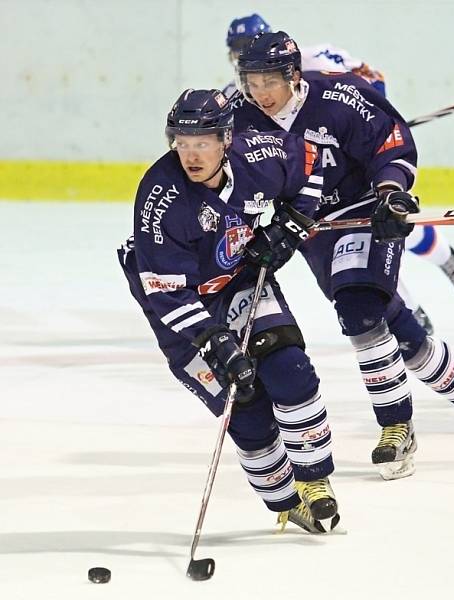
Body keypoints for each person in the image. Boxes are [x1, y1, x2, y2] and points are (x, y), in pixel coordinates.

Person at [231, 31, 454, 480]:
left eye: (267, 83)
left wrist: (391, 194)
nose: (259, 94)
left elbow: (391, 144)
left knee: (358, 312)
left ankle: (397, 427)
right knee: (399, 331)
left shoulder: (339, 96)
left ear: (293, 76)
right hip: (309, 227)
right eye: (250, 83)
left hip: (364, 212)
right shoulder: (242, 114)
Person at [117, 88, 341, 533]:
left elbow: (313, 165)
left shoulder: (258, 153)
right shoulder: (161, 198)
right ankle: (283, 500)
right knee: (245, 409)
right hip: (183, 306)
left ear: (226, 139)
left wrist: (292, 223)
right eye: (181, 143)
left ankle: (315, 480)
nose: (191, 154)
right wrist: (214, 339)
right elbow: (164, 291)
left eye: (201, 143)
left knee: (290, 370)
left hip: (240, 280)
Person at [224, 14, 454, 334]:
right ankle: (409, 310)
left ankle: (445, 259)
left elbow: (371, 81)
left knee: (394, 223)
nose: (245, 55)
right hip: (311, 202)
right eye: (237, 51)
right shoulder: (242, 98)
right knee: (355, 269)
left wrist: (365, 122)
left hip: (351, 170)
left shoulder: (316, 60)